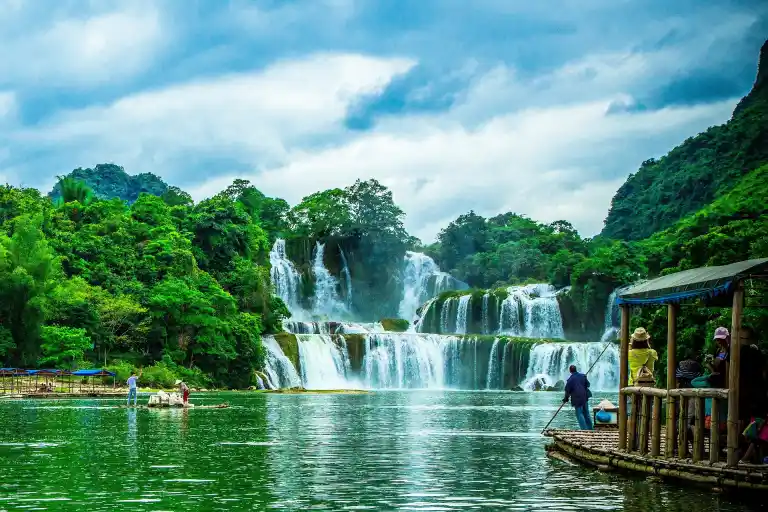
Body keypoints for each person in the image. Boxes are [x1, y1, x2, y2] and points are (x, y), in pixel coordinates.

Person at [563, 364, 593, 430]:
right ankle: (590, 429)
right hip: (585, 397)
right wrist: (584, 379)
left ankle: (584, 430)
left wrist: (565, 398)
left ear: (570, 371)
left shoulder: (570, 380)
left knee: (579, 414)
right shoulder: (583, 376)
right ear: (576, 369)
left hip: (577, 398)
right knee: (586, 413)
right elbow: (588, 385)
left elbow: (567, 391)